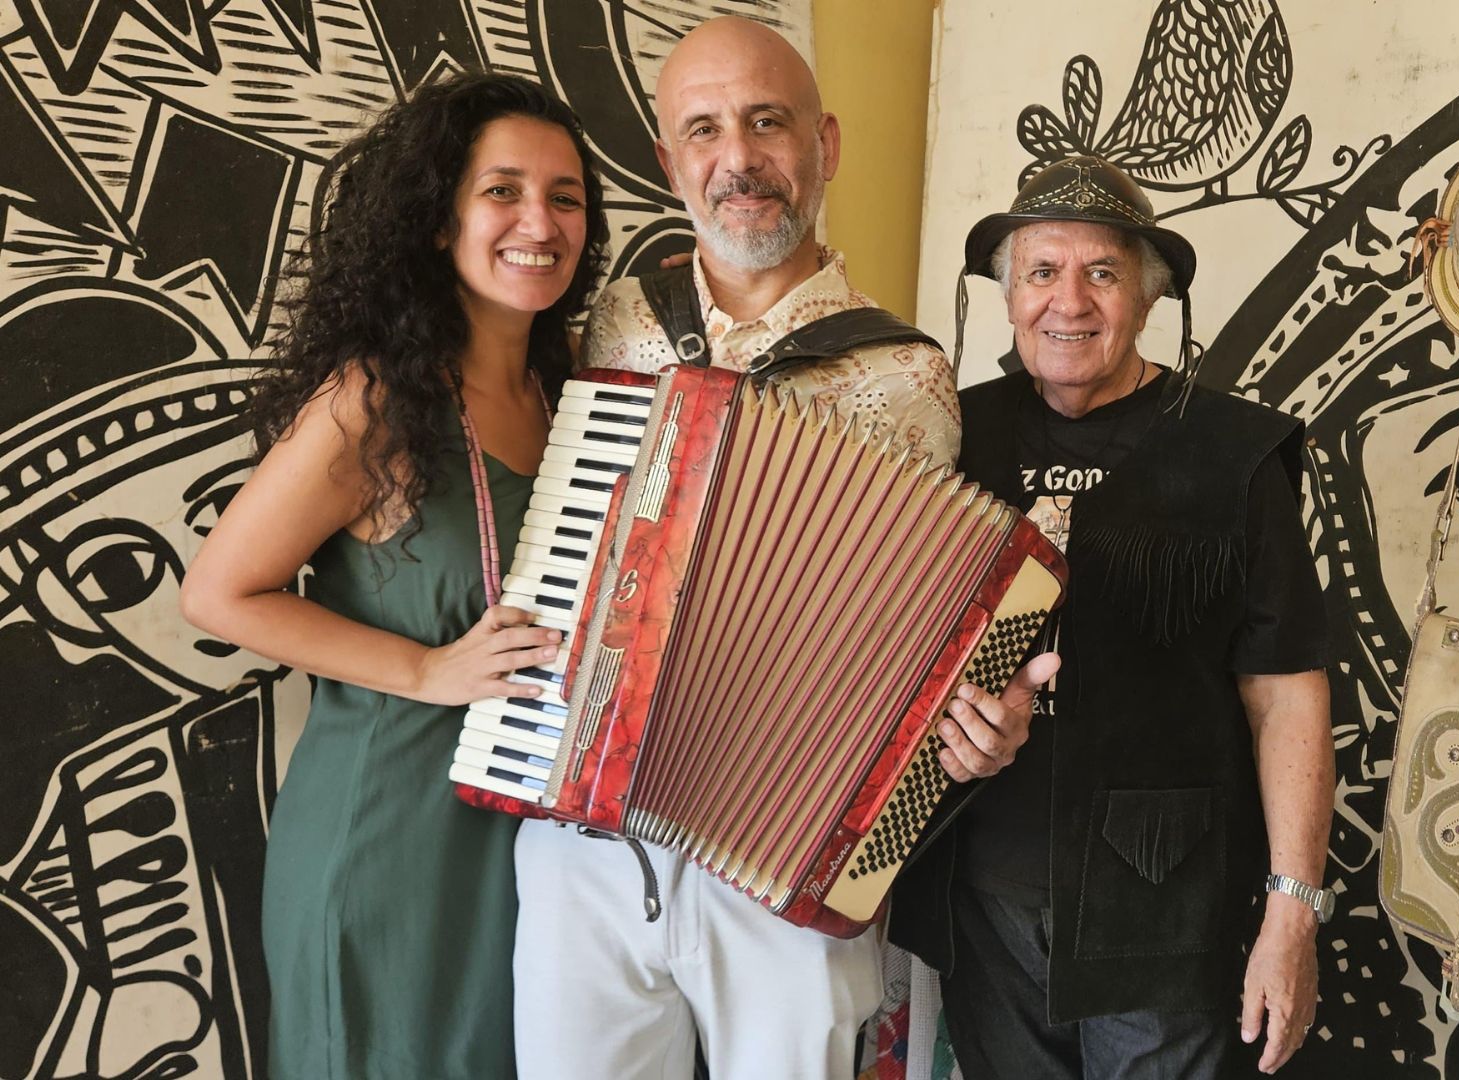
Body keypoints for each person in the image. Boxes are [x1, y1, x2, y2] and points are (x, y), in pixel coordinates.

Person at [509, 17, 1055, 1080]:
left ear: (825, 146)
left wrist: (981, 720)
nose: (738, 158)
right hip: (583, 841)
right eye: (704, 129)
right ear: (669, 161)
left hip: (787, 866)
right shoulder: (604, 323)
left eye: (769, 122)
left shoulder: (907, 375)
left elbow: (935, 635)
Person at [178, 74, 608, 1078]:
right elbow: (217, 593)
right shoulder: (373, 400)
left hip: (531, 856)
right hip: (390, 846)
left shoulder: (575, 387)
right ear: (438, 217)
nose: (539, 222)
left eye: (567, 197)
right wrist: (425, 672)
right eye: (502, 190)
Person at [889, 155, 1335, 1078]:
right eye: (1041, 272)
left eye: (1102, 272)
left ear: (1148, 294)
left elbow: (1286, 697)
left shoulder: (1233, 454)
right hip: (984, 901)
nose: (1070, 301)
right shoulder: (950, 437)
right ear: (1008, 295)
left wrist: (1292, 911)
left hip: (1165, 910)